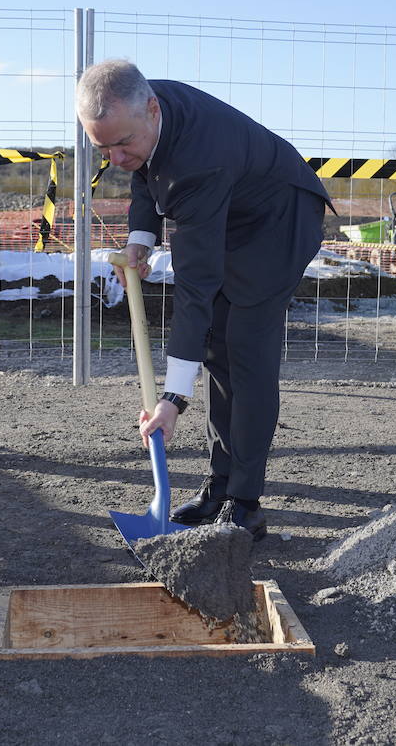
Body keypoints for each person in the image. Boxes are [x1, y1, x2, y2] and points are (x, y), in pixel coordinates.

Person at [76, 60, 330, 540]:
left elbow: (196, 285)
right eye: (101, 147)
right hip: (228, 212)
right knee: (215, 350)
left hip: (278, 220)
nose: (113, 158)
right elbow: (141, 170)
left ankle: (245, 503)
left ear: (151, 110)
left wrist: (172, 398)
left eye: (121, 142)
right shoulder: (138, 112)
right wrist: (140, 238)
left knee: (246, 352)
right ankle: (220, 484)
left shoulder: (198, 160)